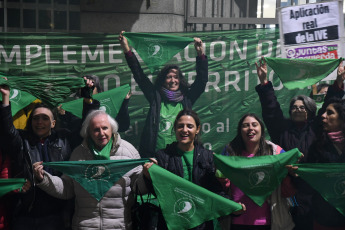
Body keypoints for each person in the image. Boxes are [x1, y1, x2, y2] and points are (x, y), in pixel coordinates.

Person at [255, 57, 345, 230]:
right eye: (294, 107)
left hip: (318, 194)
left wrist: (338, 82)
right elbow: (271, 110)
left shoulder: (318, 128)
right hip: (290, 193)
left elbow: (330, 106)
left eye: (302, 107)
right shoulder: (283, 130)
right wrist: (264, 82)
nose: (297, 109)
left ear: (311, 111)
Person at [0, 78, 94, 230]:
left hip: (57, 214)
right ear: (31, 122)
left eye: (45, 118)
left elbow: (86, 127)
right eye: (36, 118)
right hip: (25, 212)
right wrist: (5, 97)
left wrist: (87, 99)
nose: (40, 122)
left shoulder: (64, 139)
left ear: (53, 123)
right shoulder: (22, 140)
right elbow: (7, 130)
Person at [33, 109, 147, 229]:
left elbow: (138, 188)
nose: (101, 133)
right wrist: (43, 179)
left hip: (119, 226)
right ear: (89, 132)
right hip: (85, 226)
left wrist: (146, 176)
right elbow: (67, 188)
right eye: (96, 130)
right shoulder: (78, 154)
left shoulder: (128, 151)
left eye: (105, 128)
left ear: (112, 129)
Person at [143, 108, 245, 230]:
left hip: (201, 224)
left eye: (189, 126)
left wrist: (232, 206)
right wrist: (148, 177)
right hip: (171, 223)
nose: (184, 130)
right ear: (175, 128)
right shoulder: (163, 156)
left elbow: (215, 190)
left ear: (197, 129)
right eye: (180, 126)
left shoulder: (208, 156)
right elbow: (159, 192)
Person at [119, 31, 208, 157]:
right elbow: (139, 75)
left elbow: (201, 81)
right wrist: (126, 48)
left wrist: (200, 54)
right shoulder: (155, 96)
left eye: (176, 77)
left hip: (179, 156)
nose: (173, 80)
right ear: (163, 80)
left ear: (180, 80)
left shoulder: (187, 99)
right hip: (155, 156)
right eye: (169, 77)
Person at [220, 113, 295, 230]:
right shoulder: (229, 152)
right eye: (245, 125)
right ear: (240, 131)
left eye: (254, 125)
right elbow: (220, 186)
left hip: (268, 221)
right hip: (237, 221)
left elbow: (289, 180)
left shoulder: (275, 152)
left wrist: (293, 171)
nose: (250, 128)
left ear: (261, 129)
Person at [303, 98, 345, 229]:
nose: (323, 116)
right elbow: (310, 179)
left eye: (329, 112)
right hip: (325, 216)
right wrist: (298, 172)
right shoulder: (317, 146)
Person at [57, 74, 131, 133]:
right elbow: (73, 132)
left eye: (91, 87)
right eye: (84, 87)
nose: (87, 89)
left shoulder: (109, 103)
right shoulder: (70, 110)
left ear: (98, 89)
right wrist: (63, 117)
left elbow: (123, 127)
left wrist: (124, 103)